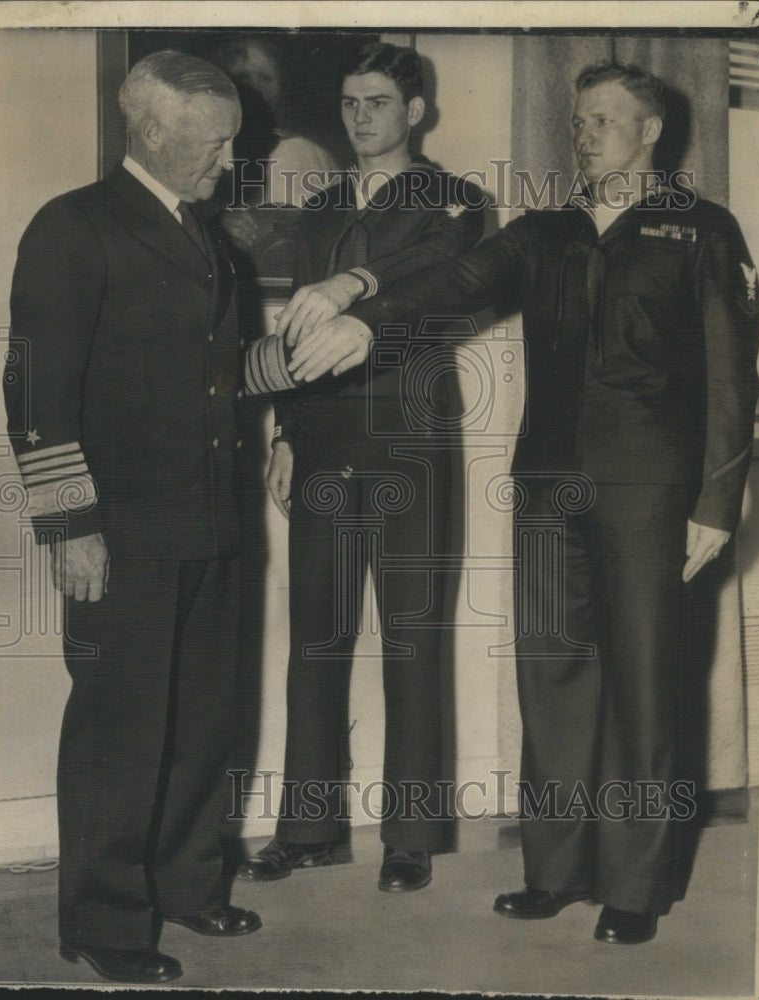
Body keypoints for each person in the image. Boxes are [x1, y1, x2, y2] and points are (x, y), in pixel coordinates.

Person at [285, 62, 759, 943]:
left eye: (604, 122)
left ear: (650, 131)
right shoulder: (546, 229)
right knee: (552, 680)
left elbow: (735, 378)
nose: (585, 136)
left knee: (646, 690)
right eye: (578, 122)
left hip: (650, 493)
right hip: (546, 486)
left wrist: (717, 502)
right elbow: (455, 280)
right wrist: (360, 304)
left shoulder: (700, 229)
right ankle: (556, 870)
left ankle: (634, 886)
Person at [4, 50, 261, 984]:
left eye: (233, 139)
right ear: (152, 132)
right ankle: (104, 923)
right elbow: (36, 388)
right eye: (216, 141)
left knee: (202, 720)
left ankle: (188, 886)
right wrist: (69, 524)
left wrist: (301, 361)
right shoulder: (74, 226)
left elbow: (218, 380)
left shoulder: (209, 238)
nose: (230, 159)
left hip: (213, 523)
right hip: (121, 530)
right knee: (121, 727)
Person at [238, 42, 484, 892]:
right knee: (317, 635)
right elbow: (300, 335)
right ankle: (309, 829)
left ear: (414, 112)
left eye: (377, 101)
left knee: (413, 637)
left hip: (410, 440)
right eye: (348, 102)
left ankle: (410, 837)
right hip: (325, 440)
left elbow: (439, 276)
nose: (360, 116)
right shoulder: (322, 206)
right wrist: (286, 434)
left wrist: (353, 283)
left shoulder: (455, 203)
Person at [211, 36, 338, 268]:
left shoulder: (292, 153)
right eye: (243, 78)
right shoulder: (222, 151)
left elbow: (277, 254)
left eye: (266, 78)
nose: (254, 89)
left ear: (281, 90)